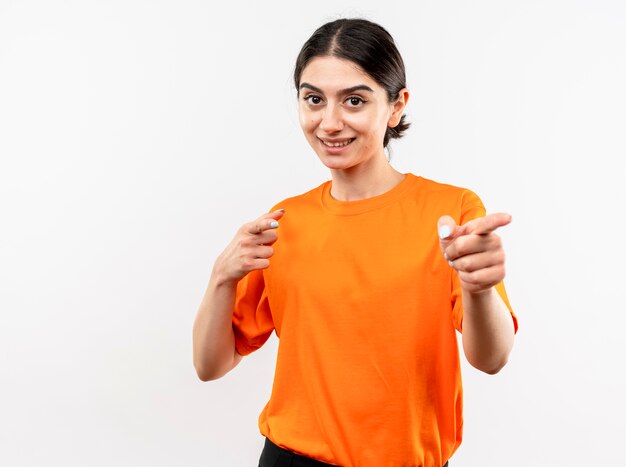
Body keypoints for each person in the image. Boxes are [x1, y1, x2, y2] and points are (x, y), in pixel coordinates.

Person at [192, 17, 518, 467]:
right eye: (313, 99)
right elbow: (211, 365)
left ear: (396, 106)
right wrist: (220, 277)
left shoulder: (453, 213)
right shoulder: (284, 220)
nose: (329, 122)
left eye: (354, 100)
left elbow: (492, 358)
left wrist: (479, 288)